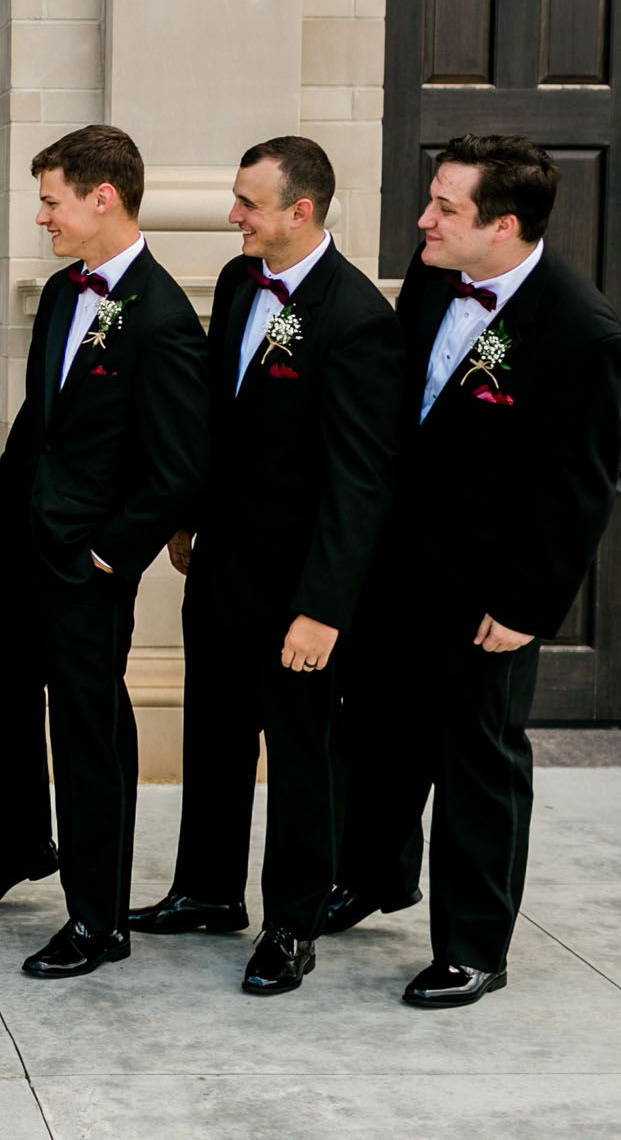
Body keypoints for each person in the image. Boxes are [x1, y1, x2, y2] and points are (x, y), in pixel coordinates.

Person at [330, 134, 621, 1008]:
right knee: (376, 738)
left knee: (476, 764)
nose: (423, 219)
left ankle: (473, 943)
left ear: (503, 225)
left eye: (444, 208)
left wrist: (526, 602)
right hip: (394, 571)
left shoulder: (581, 332)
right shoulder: (432, 275)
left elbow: (577, 490)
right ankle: (374, 876)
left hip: (484, 594)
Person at [127, 137, 402, 995]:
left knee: (301, 753)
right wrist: (188, 516)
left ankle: (292, 919)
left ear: (301, 211)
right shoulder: (244, 281)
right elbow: (221, 412)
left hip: (300, 589)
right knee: (214, 733)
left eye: (248, 201)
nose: (233, 214)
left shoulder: (358, 320)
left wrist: (323, 607)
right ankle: (208, 890)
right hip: (223, 567)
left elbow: (359, 482)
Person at [0, 124, 207, 979]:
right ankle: (19, 845)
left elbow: (177, 466)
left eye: (51, 200)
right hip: (25, 532)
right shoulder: (64, 292)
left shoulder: (165, 319)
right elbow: (41, 417)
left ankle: (99, 919)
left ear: (104, 197)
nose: (40, 216)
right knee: (9, 697)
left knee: (90, 733)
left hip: (87, 559)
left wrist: (111, 557)